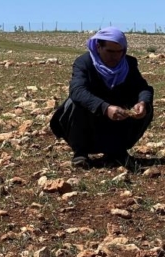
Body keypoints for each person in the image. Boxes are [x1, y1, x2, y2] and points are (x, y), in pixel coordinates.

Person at [50, 27, 154, 169]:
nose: (116, 57)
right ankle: (81, 152)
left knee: (146, 106)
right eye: (110, 51)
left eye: (120, 52)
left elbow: (143, 87)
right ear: (98, 47)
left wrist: (143, 102)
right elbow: (77, 90)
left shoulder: (128, 64)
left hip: (118, 120)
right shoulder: (84, 63)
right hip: (90, 120)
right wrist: (105, 108)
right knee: (75, 103)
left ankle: (117, 151)